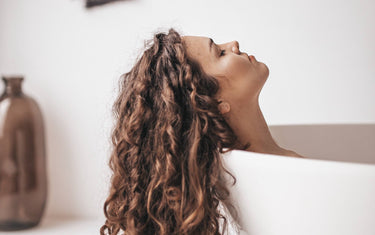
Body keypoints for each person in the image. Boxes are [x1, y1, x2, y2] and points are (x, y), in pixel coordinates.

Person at [100, 28, 305, 235]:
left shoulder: (276, 167)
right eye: (221, 53)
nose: (233, 43)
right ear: (214, 102)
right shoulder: (266, 181)